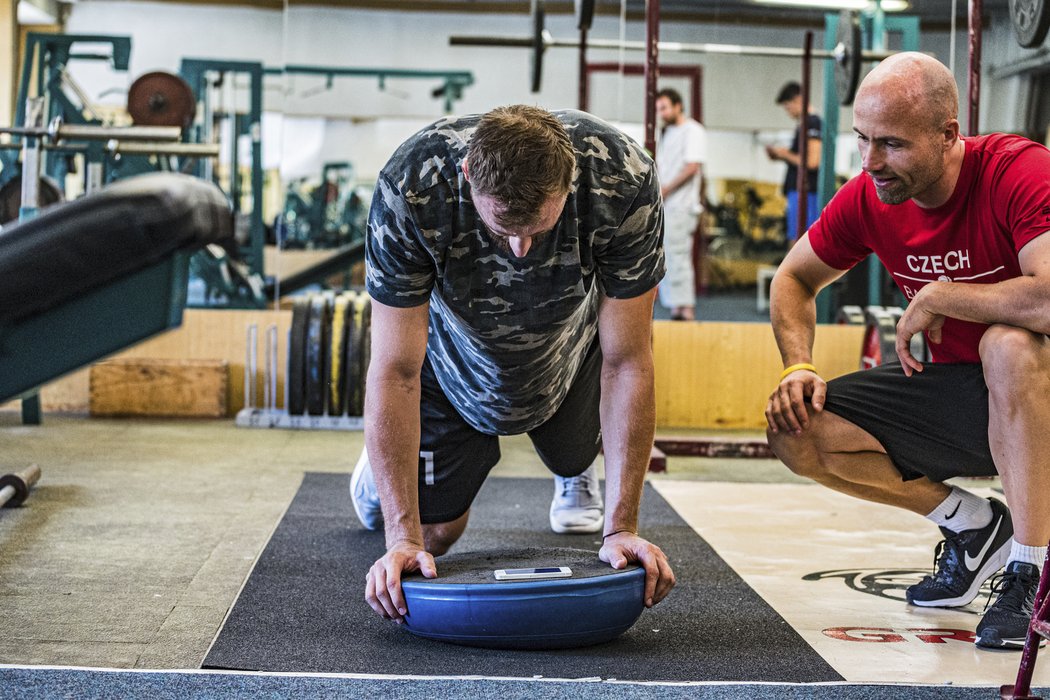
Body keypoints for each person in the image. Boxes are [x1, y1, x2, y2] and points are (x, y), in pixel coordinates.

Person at [765, 52, 1050, 650]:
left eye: (891, 144)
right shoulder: (869, 195)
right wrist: (799, 365)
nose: (871, 162)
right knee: (798, 428)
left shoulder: (1018, 171)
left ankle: (1031, 568)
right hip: (961, 393)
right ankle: (972, 526)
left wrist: (946, 295)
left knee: (1007, 344)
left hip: (1036, 387)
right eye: (863, 139)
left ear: (949, 135)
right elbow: (791, 280)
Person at [352, 104, 677, 624]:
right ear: (466, 178)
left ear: (570, 183)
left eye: (537, 228)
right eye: (503, 229)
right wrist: (402, 536)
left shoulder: (623, 178)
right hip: (454, 364)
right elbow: (395, 370)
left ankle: (573, 471)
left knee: (576, 459)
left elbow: (629, 360)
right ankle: (381, 470)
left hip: (567, 357)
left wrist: (622, 529)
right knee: (433, 542)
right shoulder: (412, 184)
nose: (521, 250)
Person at [655, 88, 706, 321]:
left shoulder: (693, 130)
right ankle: (677, 309)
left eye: (664, 107)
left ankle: (685, 310)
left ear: (678, 106)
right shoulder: (667, 133)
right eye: (658, 109)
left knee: (678, 255)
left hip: (682, 205)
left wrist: (666, 189)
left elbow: (692, 166)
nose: (661, 113)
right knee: (669, 256)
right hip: (668, 204)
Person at [766, 82, 822, 246]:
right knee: (796, 238)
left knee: (800, 241)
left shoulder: (812, 123)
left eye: (788, 107)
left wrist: (785, 154)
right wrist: (780, 156)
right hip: (798, 191)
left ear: (799, 99)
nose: (788, 112)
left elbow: (812, 162)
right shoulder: (804, 125)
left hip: (806, 192)